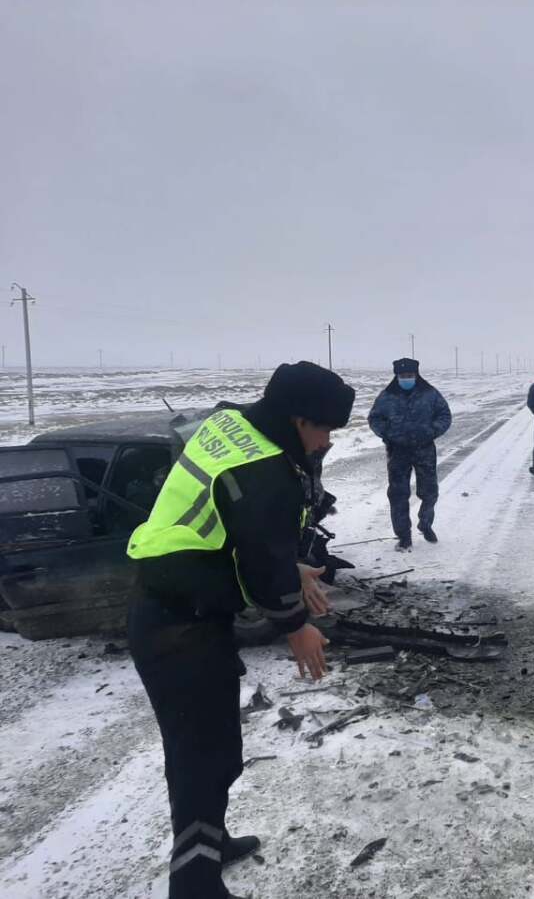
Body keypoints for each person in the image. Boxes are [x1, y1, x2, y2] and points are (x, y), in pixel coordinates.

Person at [126, 362, 355, 899]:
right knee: (201, 753)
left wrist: (290, 569)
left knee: (211, 747)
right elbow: (259, 555)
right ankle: (194, 881)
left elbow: (237, 531)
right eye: (324, 430)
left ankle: (209, 843)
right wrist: (296, 624)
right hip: (177, 623)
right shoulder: (266, 469)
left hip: (181, 607)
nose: (325, 443)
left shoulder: (232, 426)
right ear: (300, 421)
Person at [368, 358, 452, 550]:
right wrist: (388, 434)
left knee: (430, 493)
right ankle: (403, 535)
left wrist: (432, 431)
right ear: (396, 376)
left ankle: (425, 524)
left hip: (425, 451)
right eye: (403, 376)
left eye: (410, 376)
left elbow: (445, 415)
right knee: (398, 494)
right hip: (398, 452)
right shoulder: (386, 396)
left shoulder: (430, 394)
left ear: (416, 375)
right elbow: (374, 418)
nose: (407, 379)